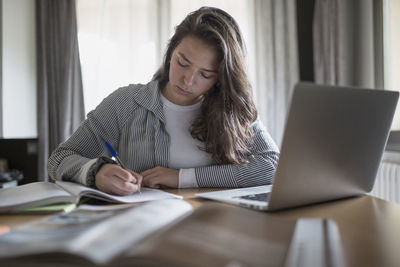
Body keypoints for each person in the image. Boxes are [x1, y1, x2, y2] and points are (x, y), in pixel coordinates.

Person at [48, 6, 280, 196]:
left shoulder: (233, 109)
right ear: (170, 54)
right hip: (145, 227)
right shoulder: (126, 103)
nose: (188, 81)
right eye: (183, 62)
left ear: (220, 78)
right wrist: (96, 172)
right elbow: (59, 159)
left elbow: (273, 166)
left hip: (215, 226)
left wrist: (181, 177)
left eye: (205, 74)